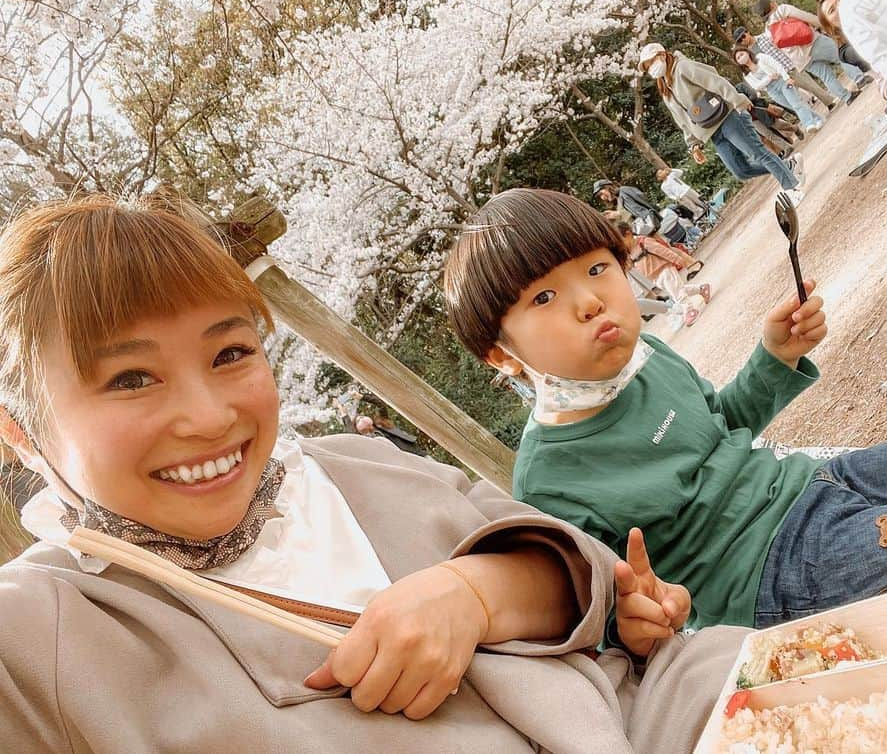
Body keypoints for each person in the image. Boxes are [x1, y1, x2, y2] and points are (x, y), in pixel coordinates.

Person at [0, 193, 710, 751]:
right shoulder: (43, 628)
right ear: (18, 432)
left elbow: (588, 577)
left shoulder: (356, 466)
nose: (210, 417)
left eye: (229, 355)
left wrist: (477, 591)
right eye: (130, 379)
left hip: (662, 717)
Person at [443, 188, 887, 642]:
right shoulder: (550, 482)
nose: (589, 301)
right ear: (502, 354)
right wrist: (642, 620)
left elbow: (718, 427)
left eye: (598, 268)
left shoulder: (649, 356)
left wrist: (773, 357)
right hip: (774, 573)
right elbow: (609, 609)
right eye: (546, 297)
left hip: (815, 484)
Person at [637, 43, 806, 204]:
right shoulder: (665, 87)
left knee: (758, 154)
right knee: (741, 170)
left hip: (728, 117)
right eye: (647, 67)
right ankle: (788, 166)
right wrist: (693, 144)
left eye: (650, 63)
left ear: (661, 55)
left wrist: (738, 100)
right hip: (711, 131)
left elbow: (715, 81)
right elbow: (681, 118)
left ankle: (793, 187)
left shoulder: (683, 67)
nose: (651, 69)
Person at [753, 0, 867, 105]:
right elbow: (806, 17)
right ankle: (860, 79)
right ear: (772, 4)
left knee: (825, 75)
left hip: (800, 60)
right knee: (840, 56)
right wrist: (826, 25)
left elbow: (779, 49)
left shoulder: (767, 31)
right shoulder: (782, 10)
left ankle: (847, 97)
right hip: (812, 43)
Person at [614, 220, 710, 328]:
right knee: (678, 290)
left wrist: (679, 260)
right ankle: (701, 289)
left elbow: (663, 251)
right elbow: (629, 266)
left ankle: (690, 311)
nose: (620, 245)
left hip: (665, 270)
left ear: (628, 234)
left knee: (677, 294)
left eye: (620, 241)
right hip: (655, 277)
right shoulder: (628, 253)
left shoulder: (643, 242)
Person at [734, 25, 838, 108]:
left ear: (748, 32)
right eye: (740, 40)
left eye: (743, 36)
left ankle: (829, 102)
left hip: (787, 67)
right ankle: (813, 119)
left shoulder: (764, 37)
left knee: (809, 85)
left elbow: (781, 46)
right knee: (795, 100)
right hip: (775, 78)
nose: (743, 40)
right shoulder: (748, 53)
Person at [733, 48, 825, 133]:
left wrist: (786, 78)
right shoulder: (746, 75)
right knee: (793, 107)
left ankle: (809, 124)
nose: (741, 57)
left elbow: (777, 65)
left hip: (782, 82)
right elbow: (757, 87)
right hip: (772, 91)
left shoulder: (760, 57)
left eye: (742, 54)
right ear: (738, 62)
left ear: (747, 52)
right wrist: (769, 78)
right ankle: (818, 119)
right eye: (738, 58)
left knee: (796, 103)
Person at [592, 179, 659, 234]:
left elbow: (644, 204)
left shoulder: (624, 190)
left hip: (653, 227)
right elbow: (629, 222)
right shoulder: (618, 203)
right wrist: (615, 218)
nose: (602, 197)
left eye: (601, 193)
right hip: (643, 232)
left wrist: (619, 213)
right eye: (600, 196)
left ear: (607, 187)